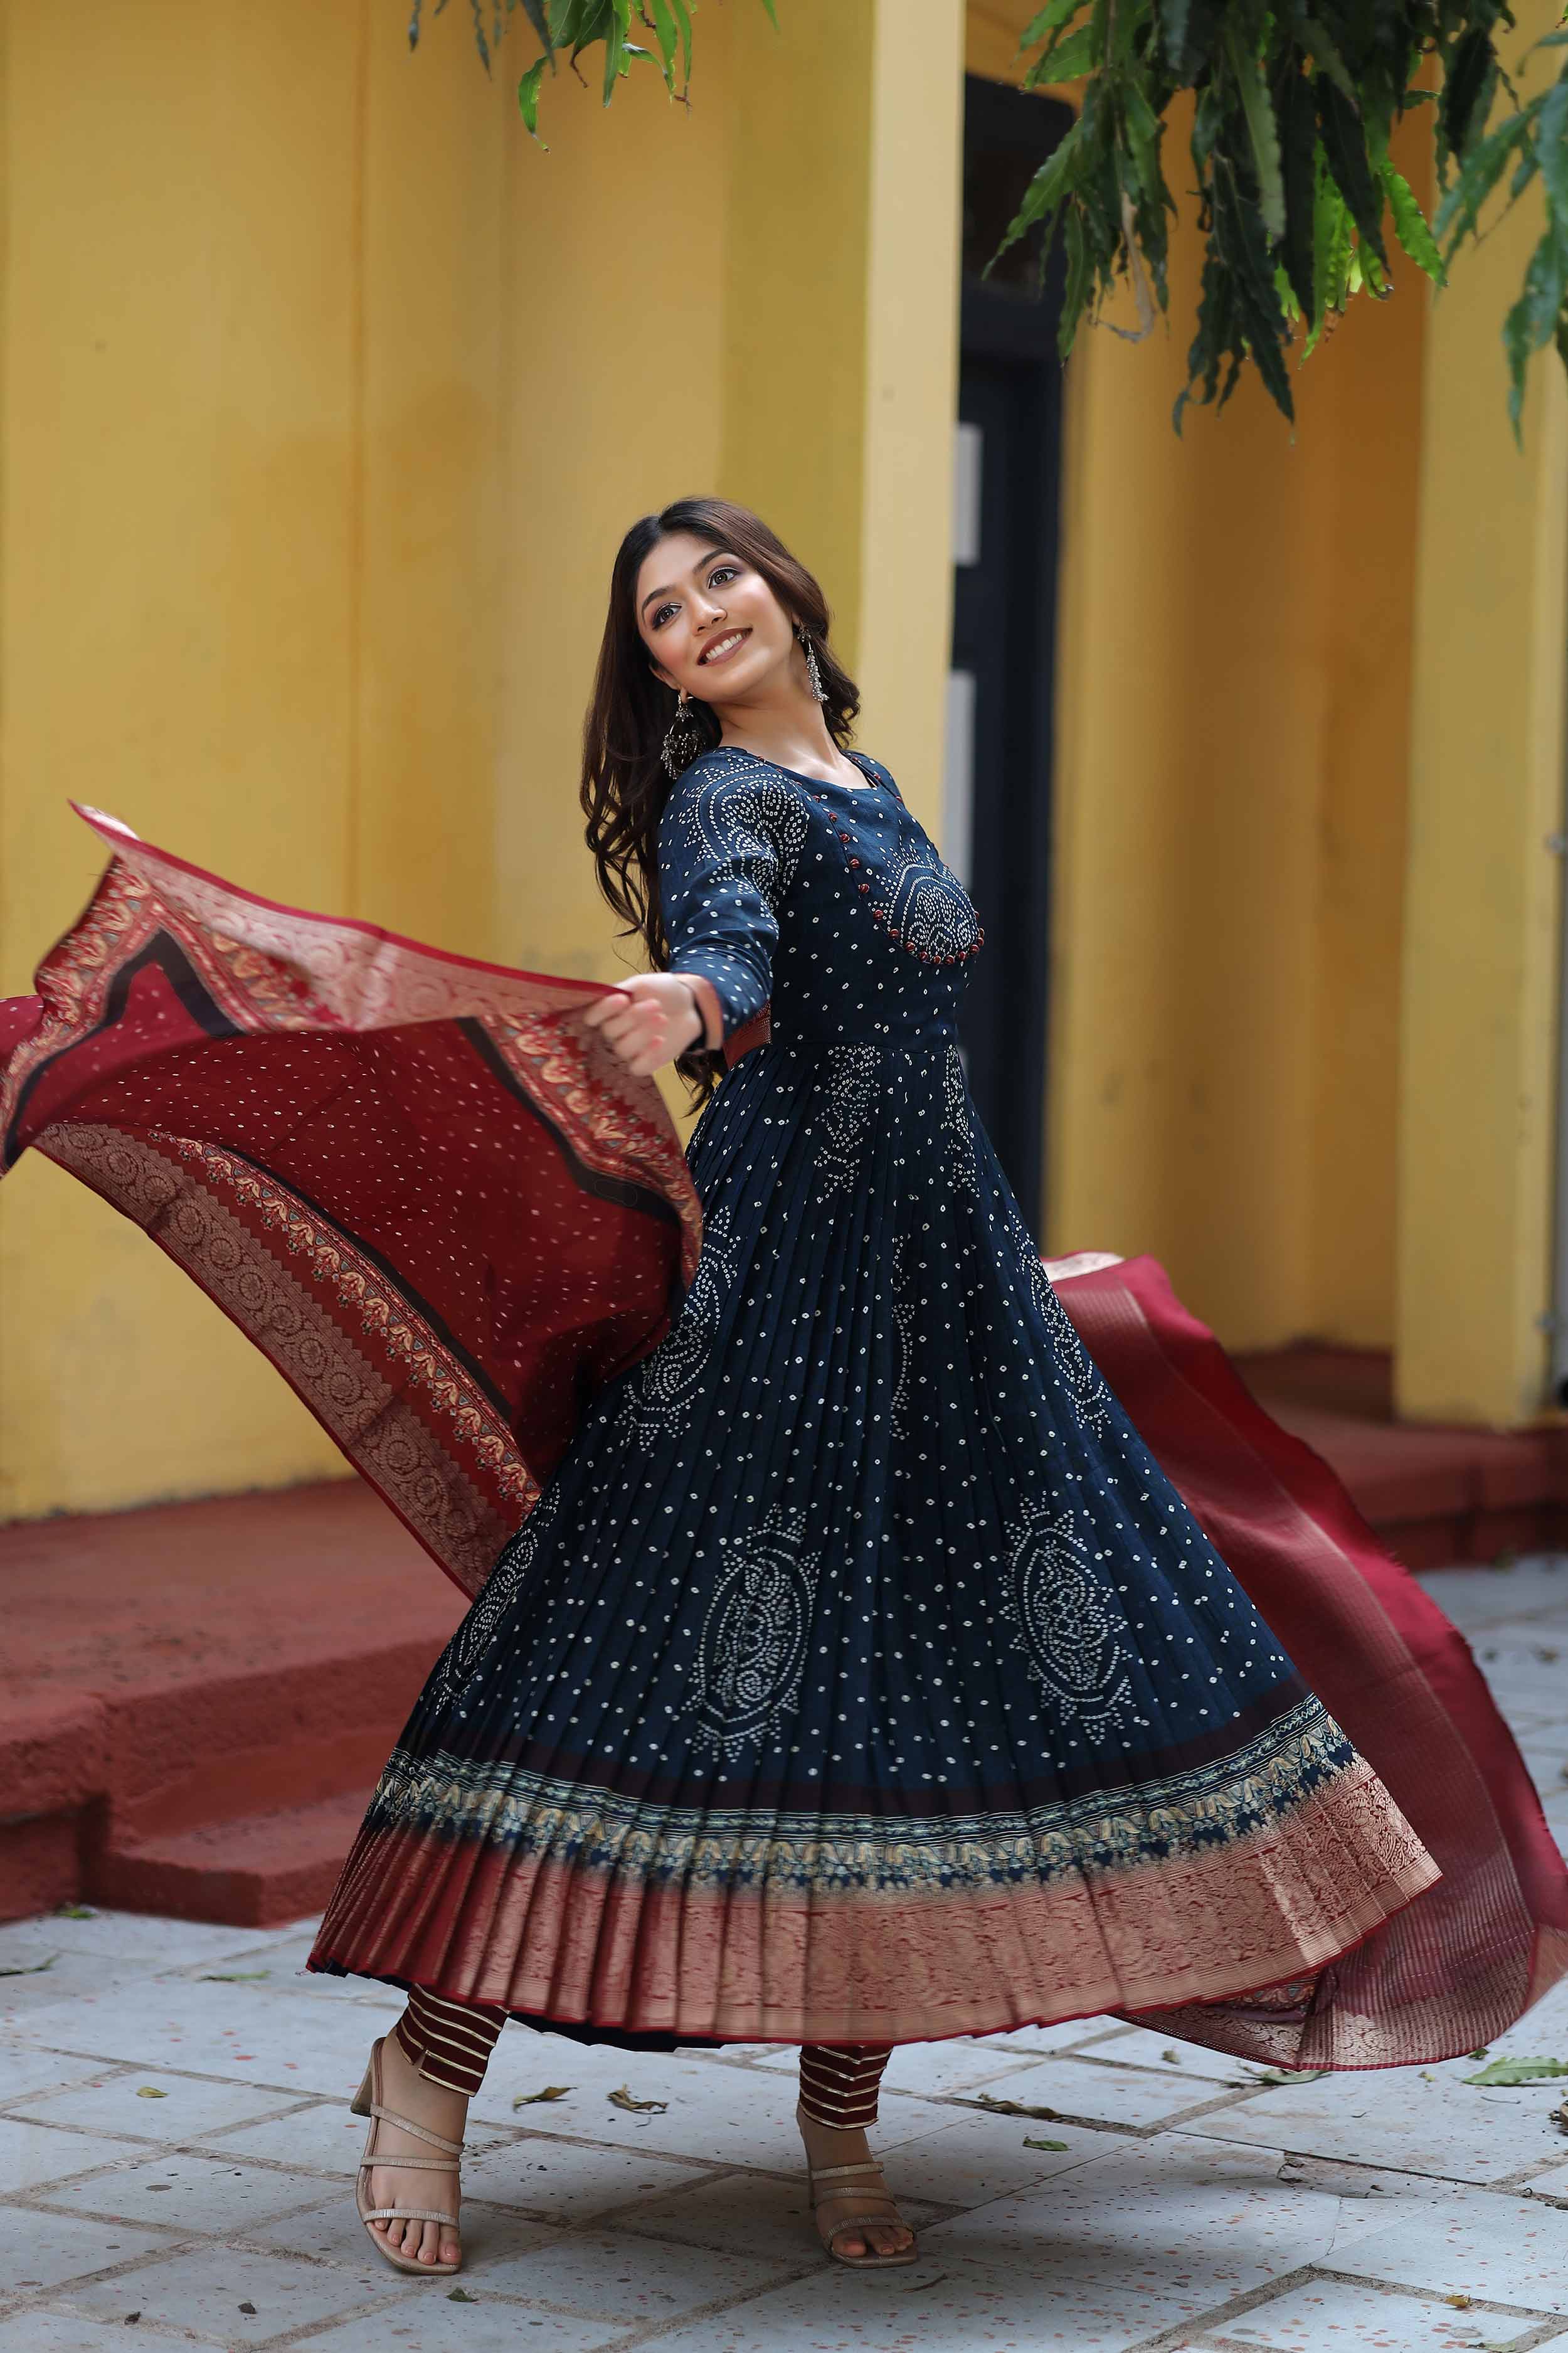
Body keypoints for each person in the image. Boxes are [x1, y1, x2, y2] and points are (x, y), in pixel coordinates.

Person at [9, 498, 1560, 2287]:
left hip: (945, 1270)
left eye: (717, 581)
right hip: (784, 1272)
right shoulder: (722, 804)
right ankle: (423, 2077)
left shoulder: (866, 775)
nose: (699, 619)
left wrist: (998, 1240)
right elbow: (734, 950)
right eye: (662, 617)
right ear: (658, 669)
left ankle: (842, 2116)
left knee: (905, 1698)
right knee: (638, 1663)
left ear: (785, 587)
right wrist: (687, 997)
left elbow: (901, 1025)